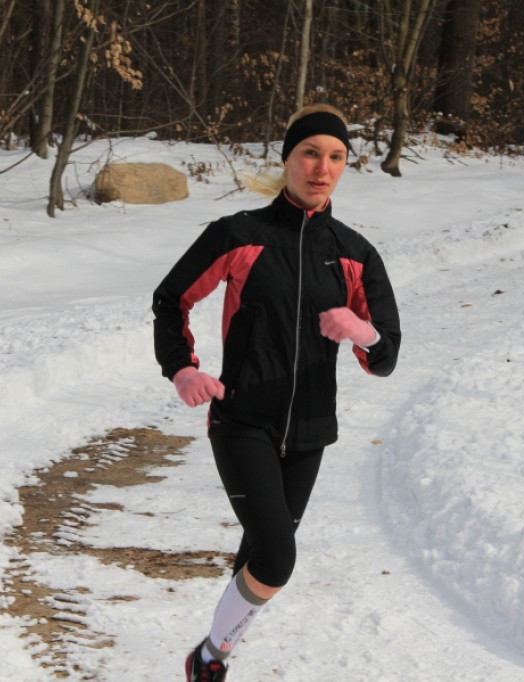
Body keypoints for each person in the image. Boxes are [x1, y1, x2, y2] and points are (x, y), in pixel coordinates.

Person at [152, 103, 402, 682]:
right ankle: (209, 659)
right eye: (311, 153)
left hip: (310, 432)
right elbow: (171, 300)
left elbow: (386, 354)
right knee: (277, 558)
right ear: (288, 160)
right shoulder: (240, 234)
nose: (322, 168)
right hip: (242, 420)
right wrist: (182, 369)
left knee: (259, 554)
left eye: (335, 157)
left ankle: (211, 660)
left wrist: (361, 331)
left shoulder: (355, 253)